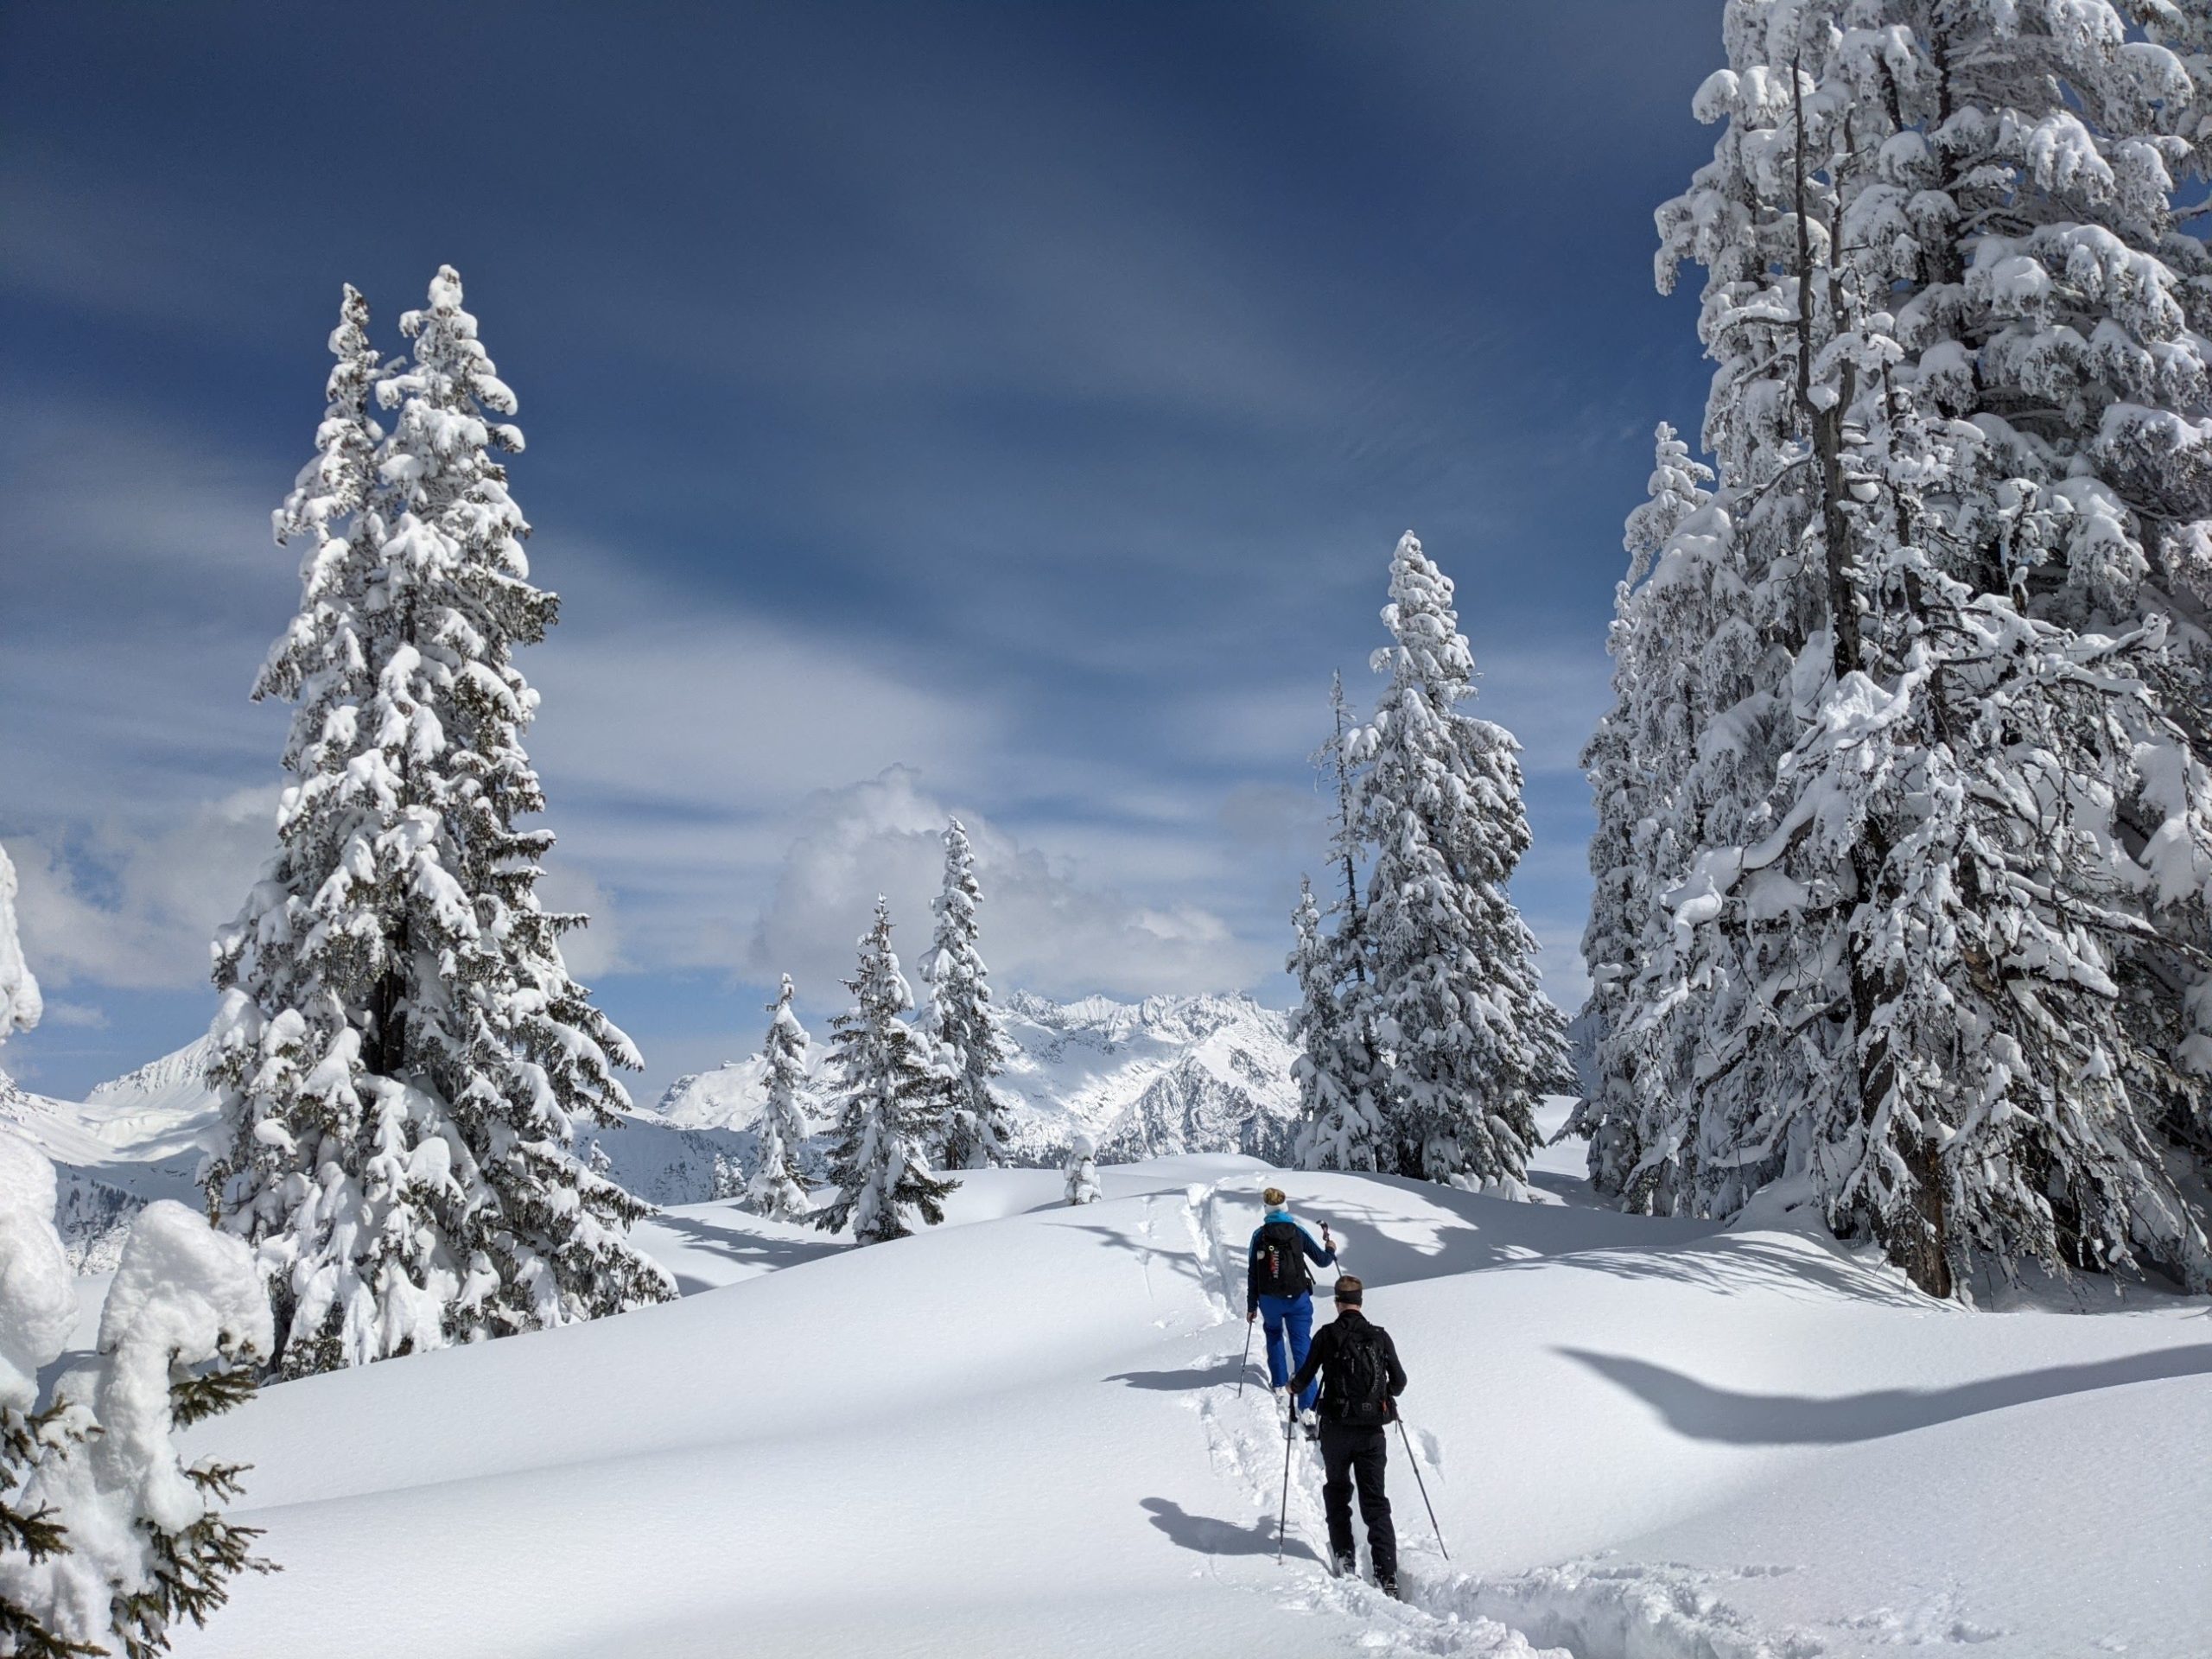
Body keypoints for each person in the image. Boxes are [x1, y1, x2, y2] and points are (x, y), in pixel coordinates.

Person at [1287, 1273, 1407, 1596]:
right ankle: (1387, 1575)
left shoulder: (1326, 1336)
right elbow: (1399, 1383)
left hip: (1337, 1430)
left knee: (1338, 1492)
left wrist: (1292, 1387)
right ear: (1361, 1302)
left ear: (1337, 1302)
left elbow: (1305, 1378)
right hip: (1371, 1434)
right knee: (1375, 1502)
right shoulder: (1379, 1337)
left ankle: (1345, 1559)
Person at [1244, 1185, 1335, 1420]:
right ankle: (1309, 1406)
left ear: (1266, 1208)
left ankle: (1279, 1384)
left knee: (1274, 1334)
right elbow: (1323, 1261)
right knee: (1302, 1344)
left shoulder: (1259, 1235)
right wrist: (1330, 1248)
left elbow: (1253, 1272)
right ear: (1285, 1207)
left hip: (1269, 1300)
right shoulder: (1298, 1232)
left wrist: (1252, 1306)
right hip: (1298, 1300)